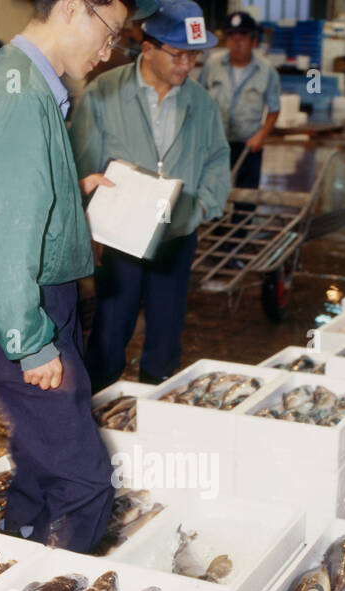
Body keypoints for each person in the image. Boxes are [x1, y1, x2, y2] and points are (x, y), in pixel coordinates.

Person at [0, 0, 158, 554]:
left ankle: (16, 549)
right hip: (25, 309)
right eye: (110, 33)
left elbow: (7, 200)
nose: (107, 52)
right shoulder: (18, 97)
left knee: (40, 458)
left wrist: (73, 194)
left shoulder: (24, 82)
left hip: (35, 300)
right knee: (84, 481)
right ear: (73, 8)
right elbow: (0, 237)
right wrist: (31, 343)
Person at [70, 0, 229, 391]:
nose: (186, 65)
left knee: (166, 331)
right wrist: (91, 224)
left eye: (193, 56)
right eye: (177, 54)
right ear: (148, 48)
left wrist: (204, 205)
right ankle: (98, 408)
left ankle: (159, 405)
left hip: (176, 236)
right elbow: (81, 161)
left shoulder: (200, 103)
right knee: (110, 328)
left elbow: (217, 159)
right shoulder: (104, 94)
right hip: (120, 238)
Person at [199, 11, 279, 192]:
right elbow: (198, 99)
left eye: (242, 37)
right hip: (215, 144)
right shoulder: (212, 64)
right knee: (210, 194)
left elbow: (274, 109)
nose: (236, 43)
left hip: (249, 147)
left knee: (246, 199)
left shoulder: (266, 71)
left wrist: (261, 135)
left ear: (254, 41)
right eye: (232, 37)